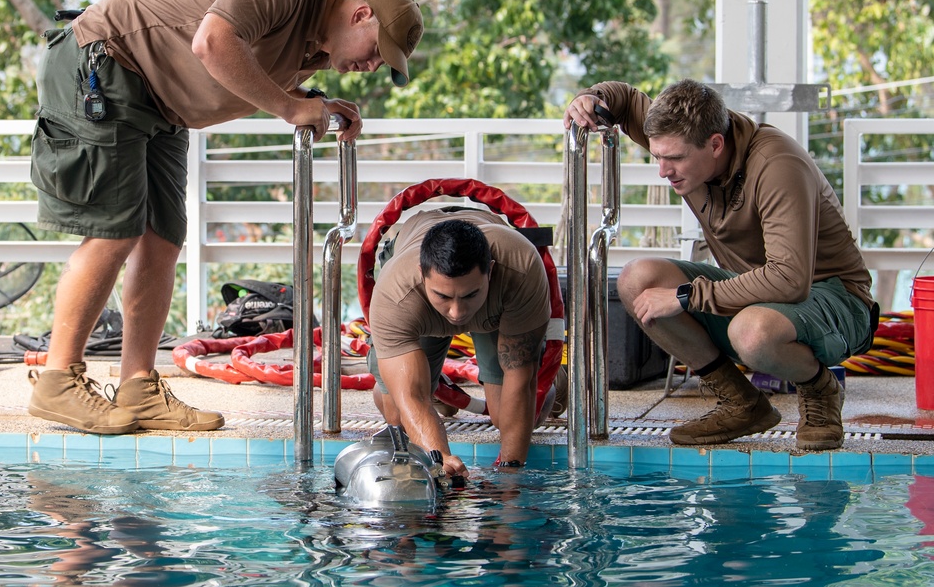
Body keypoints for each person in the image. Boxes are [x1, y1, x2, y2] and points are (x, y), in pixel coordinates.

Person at [27, 0, 424, 434]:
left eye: (384, 64)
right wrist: (286, 107)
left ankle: (138, 386)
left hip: (161, 105)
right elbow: (213, 42)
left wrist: (314, 103)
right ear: (361, 14)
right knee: (114, 231)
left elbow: (254, 74)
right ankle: (58, 382)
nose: (373, 65)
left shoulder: (314, 49)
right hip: (104, 64)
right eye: (378, 50)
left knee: (163, 238)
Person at [563, 79, 877, 451]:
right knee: (637, 279)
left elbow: (790, 280)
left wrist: (686, 296)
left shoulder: (777, 165)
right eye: (657, 156)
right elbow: (627, 98)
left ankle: (820, 390)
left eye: (674, 159)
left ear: (715, 144)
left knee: (752, 332)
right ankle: (741, 403)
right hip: (756, 290)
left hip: (835, 298)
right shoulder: (682, 135)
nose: (663, 170)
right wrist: (590, 98)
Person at [367, 208, 552, 478]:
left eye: (470, 294)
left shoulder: (519, 268)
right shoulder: (395, 294)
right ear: (422, 274)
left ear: (490, 270)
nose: (457, 313)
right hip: (416, 298)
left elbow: (519, 378)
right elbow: (412, 398)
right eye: (443, 296)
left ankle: (553, 379)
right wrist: (440, 461)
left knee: (514, 417)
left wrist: (510, 478)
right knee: (396, 413)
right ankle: (432, 387)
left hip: (499, 308)